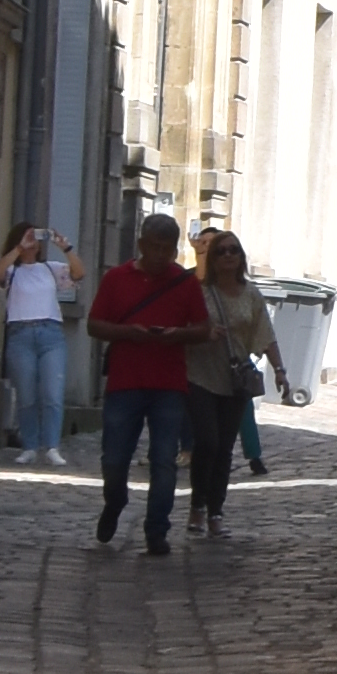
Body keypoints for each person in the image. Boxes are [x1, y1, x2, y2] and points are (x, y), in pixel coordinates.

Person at [87, 214, 210, 554]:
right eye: (154, 247)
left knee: (163, 460)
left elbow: (203, 329)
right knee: (114, 456)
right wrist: (129, 332)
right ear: (141, 244)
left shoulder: (184, 284)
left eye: (167, 249)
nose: (160, 256)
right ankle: (115, 500)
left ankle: (157, 529)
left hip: (168, 384)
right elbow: (94, 325)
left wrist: (176, 335)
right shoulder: (117, 278)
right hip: (125, 382)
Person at [182, 231, 293, 543]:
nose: (228, 256)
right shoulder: (200, 292)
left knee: (224, 449)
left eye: (234, 251)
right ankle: (197, 506)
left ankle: (215, 511)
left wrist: (280, 370)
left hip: (235, 381)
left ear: (241, 257)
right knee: (206, 442)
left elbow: (265, 334)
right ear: (213, 258)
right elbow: (182, 325)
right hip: (201, 375)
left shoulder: (251, 294)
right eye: (222, 251)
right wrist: (203, 332)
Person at [0, 221, 76, 465]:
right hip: (20, 333)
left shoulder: (51, 269)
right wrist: (19, 250)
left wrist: (66, 248)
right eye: (28, 238)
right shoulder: (13, 271)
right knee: (27, 394)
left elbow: (78, 274)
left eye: (36, 239)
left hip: (50, 333)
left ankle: (52, 446)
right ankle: (30, 445)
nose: (33, 243)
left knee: (52, 393)